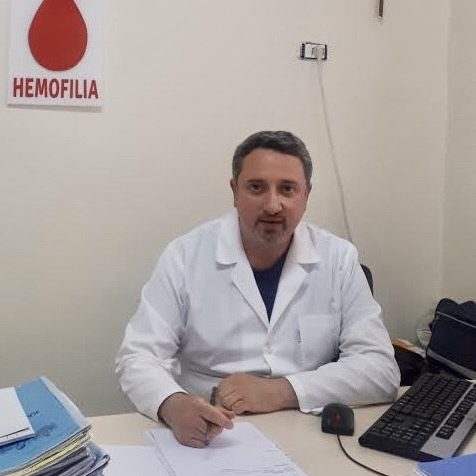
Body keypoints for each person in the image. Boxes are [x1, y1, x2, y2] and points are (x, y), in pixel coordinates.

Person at [115, 130, 400, 448]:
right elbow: (138, 356)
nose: (273, 205)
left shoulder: (339, 258)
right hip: (210, 432)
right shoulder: (185, 256)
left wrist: (282, 391)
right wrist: (172, 405)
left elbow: (380, 369)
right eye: (256, 187)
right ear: (234, 191)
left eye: (287, 189)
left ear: (306, 195)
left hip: (306, 430)